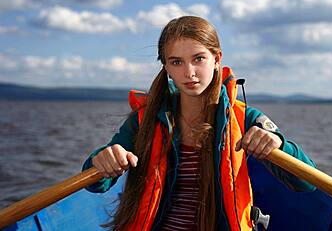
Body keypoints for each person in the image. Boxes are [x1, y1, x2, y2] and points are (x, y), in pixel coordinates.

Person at [82, 16, 316, 231]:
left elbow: (306, 182)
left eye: (198, 59)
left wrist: (278, 144)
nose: (189, 72)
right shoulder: (144, 120)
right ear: (166, 68)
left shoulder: (245, 118)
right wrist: (103, 158)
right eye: (177, 62)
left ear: (217, 59)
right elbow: (96, 183)